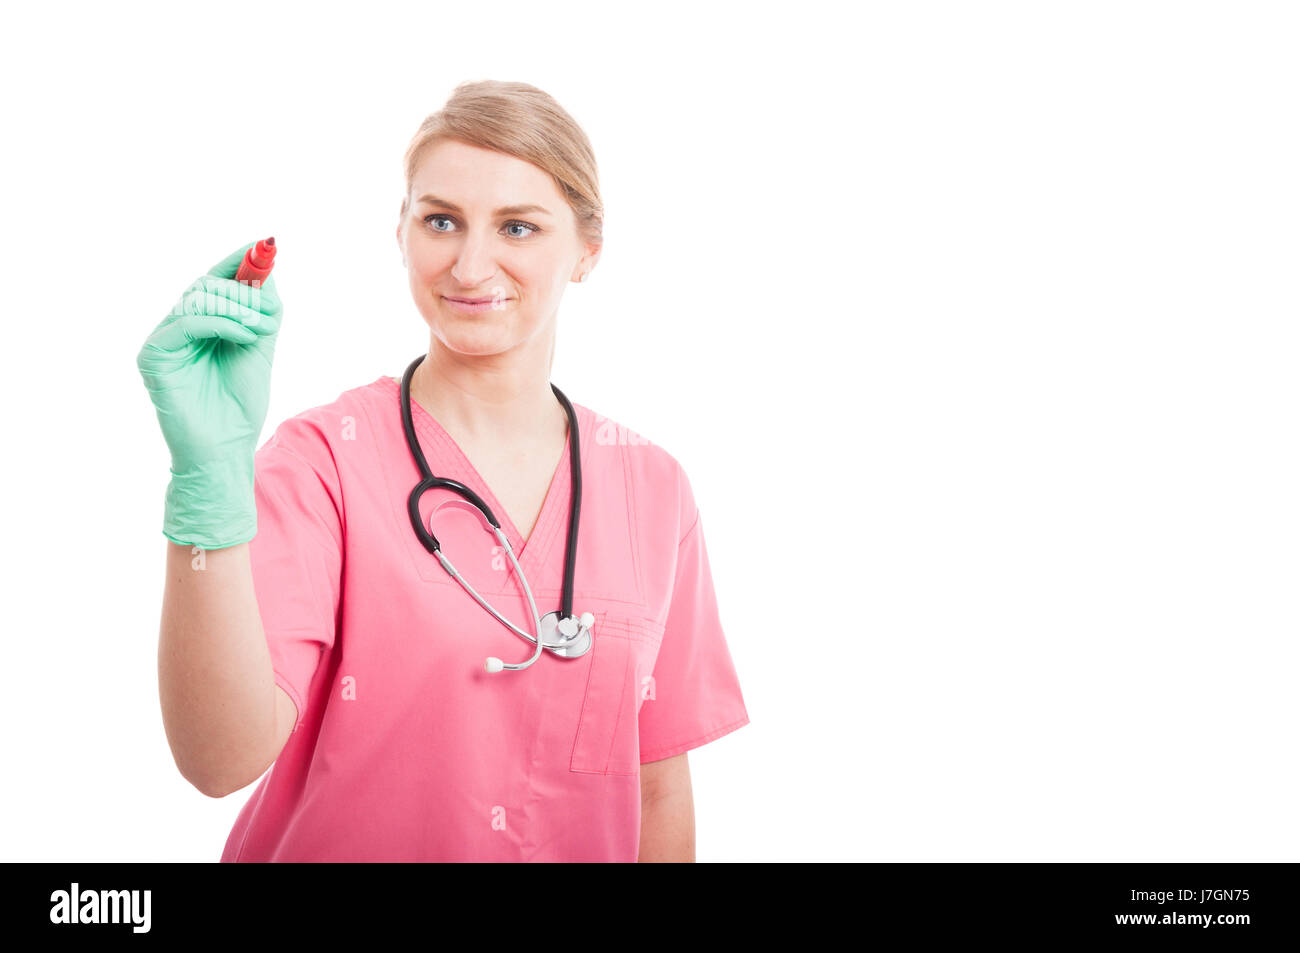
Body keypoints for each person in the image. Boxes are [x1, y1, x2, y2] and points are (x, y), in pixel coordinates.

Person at [136, 80, 749, 862]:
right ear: (402, 232)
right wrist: (207, 481)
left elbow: (657, 785)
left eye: (518, 226)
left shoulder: (652, 489)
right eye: (441, 221)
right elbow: (218, 759)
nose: (469, 263)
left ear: (588, 249)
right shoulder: (324, 462)